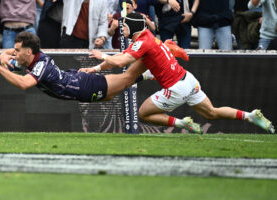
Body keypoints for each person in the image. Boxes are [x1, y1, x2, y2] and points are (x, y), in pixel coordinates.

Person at [80, 12, 275, 134]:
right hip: (188, 80)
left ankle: (183, 123)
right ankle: (250, 116)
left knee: (143, 114)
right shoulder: (147, 37)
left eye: (124, 25)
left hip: (176, 87)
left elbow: (120, 61)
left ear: (133, 27)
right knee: (212, 113)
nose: (121, 28)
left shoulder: (142, 42)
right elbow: (123, 58)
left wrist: (101, 56)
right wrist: (95, 69)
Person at [0, 31, 145, 104]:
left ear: (28, 52)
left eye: (17, 51)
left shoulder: (41, 64)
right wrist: (5, 53)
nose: (15, 53)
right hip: (79, 83)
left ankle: (149, 61)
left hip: (84, 86)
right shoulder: (32, 57)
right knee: (112, 94)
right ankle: (147, 74)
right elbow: (14, 54)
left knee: (127, 78)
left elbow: (24, 84)